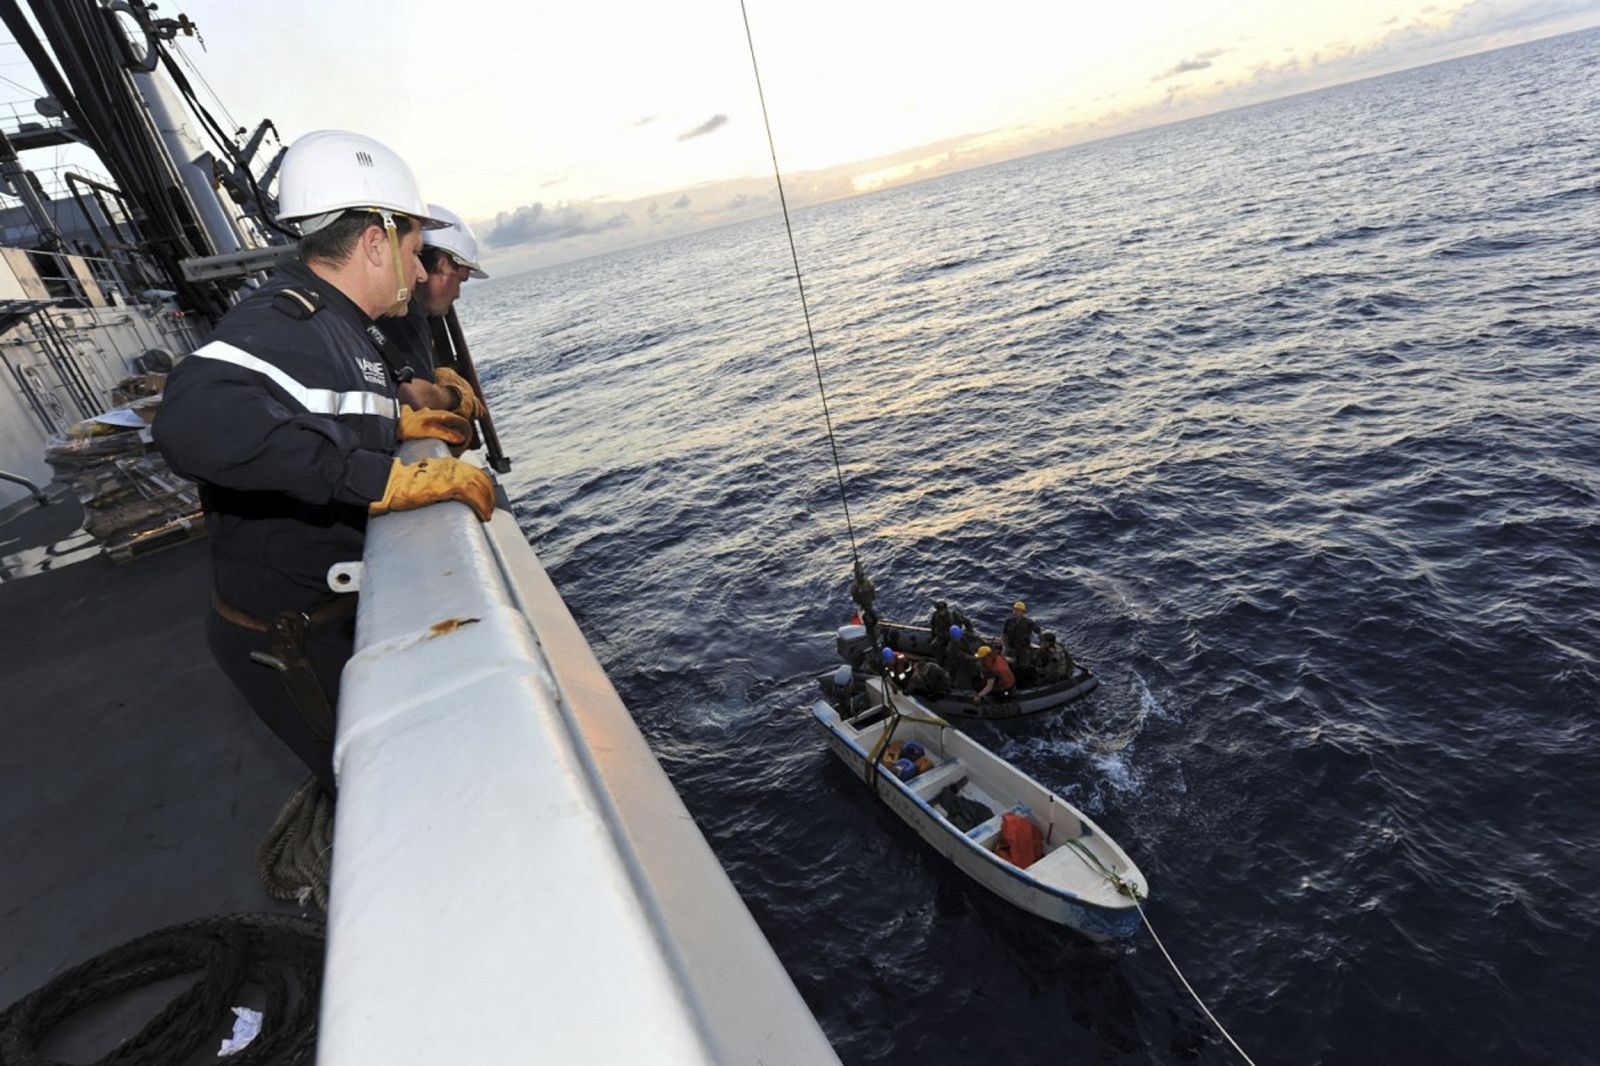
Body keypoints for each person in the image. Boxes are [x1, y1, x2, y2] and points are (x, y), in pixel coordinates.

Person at [153, 130, 496, 795]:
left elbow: (314, 409)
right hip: (292, 646)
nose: (425, 274)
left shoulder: (345, 326)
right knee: (392, 800)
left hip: (335, 621)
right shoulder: (286, 320)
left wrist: (399, 417)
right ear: (375, 244)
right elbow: (192, 417)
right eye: (414, 252)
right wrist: (383, 478)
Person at [375, 204, 487, 421]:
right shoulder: (405, 316)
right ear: (443, 266)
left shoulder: (383, 311)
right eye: (460, 280)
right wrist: (456, 395)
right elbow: (416, 397)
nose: (458, 294)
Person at [1002, 600, 1041, 673]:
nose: (1016, 612)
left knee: (1024, 665)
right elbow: (1004, 634)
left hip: (1024, 647)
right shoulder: (1009, 621)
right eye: (1015, 610)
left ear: (1023, 612)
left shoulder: (1028, 622)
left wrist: (1043, 638)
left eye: (1018, 611)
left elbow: (1038, 631)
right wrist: (1004, 646)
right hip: (1011, 646)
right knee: (1009, 663)